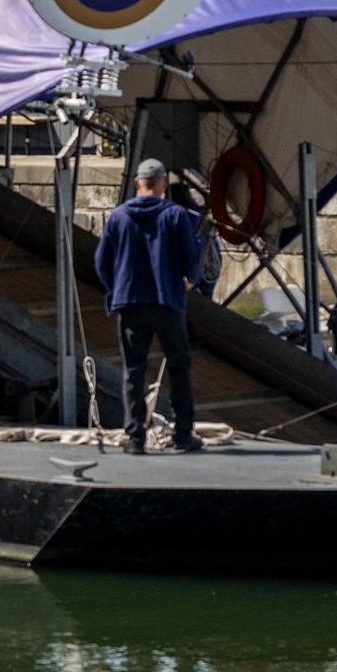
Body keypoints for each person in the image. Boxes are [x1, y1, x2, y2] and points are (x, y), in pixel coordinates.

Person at [93, 157, 205, 454]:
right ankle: (183, 435)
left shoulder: (118, 217)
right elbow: (192, 258)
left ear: (137, 183)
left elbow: (101, 262)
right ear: (163, 184)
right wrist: (189, 280)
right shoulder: (176, 215)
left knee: (133, 371)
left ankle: (135, 438)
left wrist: (115, 288)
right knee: (179, 368)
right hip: (167, 302)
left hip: (131, 304)